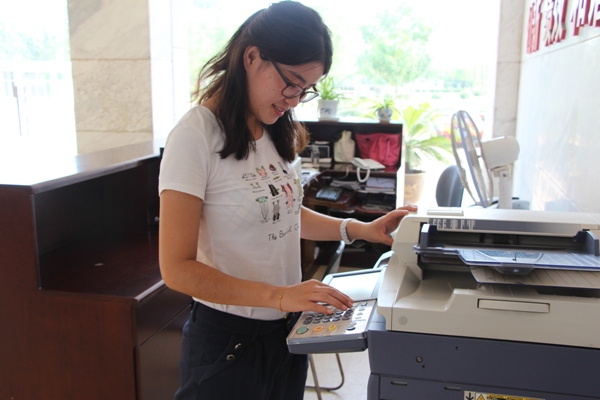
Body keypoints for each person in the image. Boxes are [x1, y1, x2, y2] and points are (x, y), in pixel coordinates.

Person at [158, 2, 417, 399]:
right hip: (229, 342)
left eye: (305, 90)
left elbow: (285, 212)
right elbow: (177, 269)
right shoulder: (195, 135)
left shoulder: (274, 128)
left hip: (286, 329)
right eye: (292, 82)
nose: (295, 100)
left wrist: (359, 229)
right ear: (252, 57)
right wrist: (278, 295)